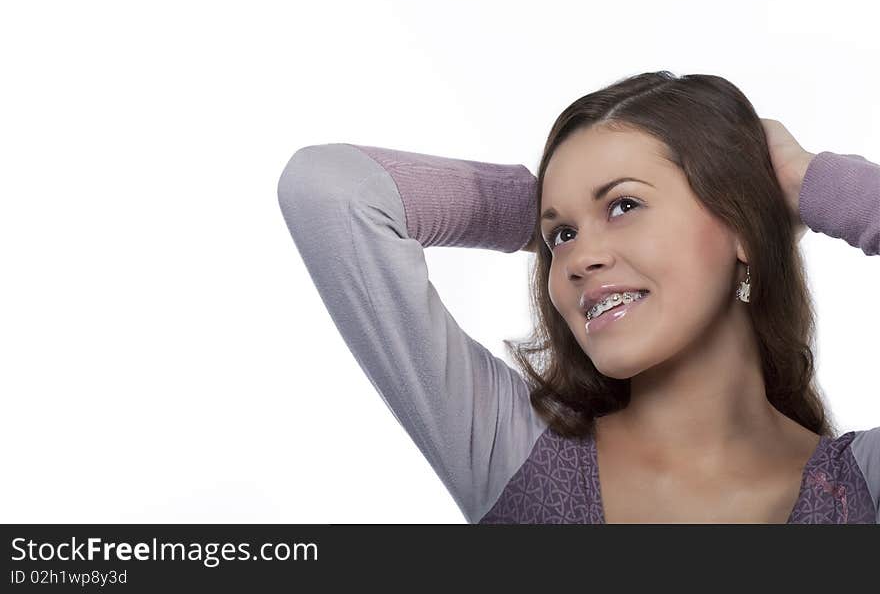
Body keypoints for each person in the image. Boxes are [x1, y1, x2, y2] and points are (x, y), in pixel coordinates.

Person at [277, 71, 879, 523]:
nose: (576, 259)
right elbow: (330, 190)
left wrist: (806, 183)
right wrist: (539, 215)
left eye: (624, 205)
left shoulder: (861, 489)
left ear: (740, 229)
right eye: (561, 236)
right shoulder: (516, 456)